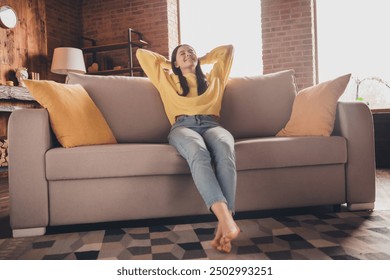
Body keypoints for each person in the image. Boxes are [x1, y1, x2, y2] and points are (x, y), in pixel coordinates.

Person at [136, 44, 239, 253]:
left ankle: (224, 225)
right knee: (198, 152)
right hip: (183, 126)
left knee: (225, 149)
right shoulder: (167, 79)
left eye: (190, 51)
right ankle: (227, 219)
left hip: (212, 125)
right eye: (181, 53)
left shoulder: (214, 76)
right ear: (175, 62)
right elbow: (142, 54)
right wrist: (172, 64)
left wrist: (200, 58)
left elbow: (228, 50)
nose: (187, 54)